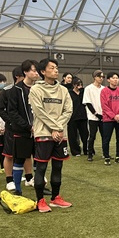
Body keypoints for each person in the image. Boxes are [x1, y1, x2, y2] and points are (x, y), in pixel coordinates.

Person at [29, 58, 74, 212]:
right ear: (43, 71)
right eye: (52, 68)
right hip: (44, 133)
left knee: (58, 166)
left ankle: (55, 197)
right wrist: (55, 128)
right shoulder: (36, 90)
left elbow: (68, 110)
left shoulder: (63, 90)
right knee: (41, 167)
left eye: (56, 67)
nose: (56, 70)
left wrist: (58, 128)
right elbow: (39, 112)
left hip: (60, 134)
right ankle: (40, 200)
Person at [0, 60, 40, 195]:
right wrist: (26, 126)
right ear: (25, 72)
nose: (36, 73)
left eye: (37, 71)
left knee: (38, 157)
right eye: (33, 70)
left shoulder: (39, 88)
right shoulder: (14, 90)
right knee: (18, 158)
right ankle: (16, 188)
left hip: (38, 130)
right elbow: (11, 112)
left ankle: (35, 182)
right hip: (21, 130)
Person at [100, 71, 119, 165]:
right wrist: (113, 116)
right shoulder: (104, 91)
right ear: (108, 80)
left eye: (117, 78)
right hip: (108, 119)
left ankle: (118, 156)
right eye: (113, 78)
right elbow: (104, 106)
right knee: (106, 139)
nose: (115, 80)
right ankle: (106, 157)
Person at [83, 70, 105, 161]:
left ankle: (105, 153)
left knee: (105, 136)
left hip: (104, 116)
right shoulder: (88, 88)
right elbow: (87, 102)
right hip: (93, 117)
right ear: (95, 77)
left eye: (103, 77)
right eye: (99, 76)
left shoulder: (104, 88)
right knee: (92, 136)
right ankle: (90, 153)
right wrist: (96, 113)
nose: (101, 78)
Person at [66, 77, 88, 156]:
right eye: (78, 84)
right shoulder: (69, 93)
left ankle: (87, 150)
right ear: (74, 85)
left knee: (85, 134)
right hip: (72, 117)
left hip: (83, 117)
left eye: (81, 84)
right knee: (73, 135)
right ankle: (75, 151)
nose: (79, 86)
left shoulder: (83, 92)